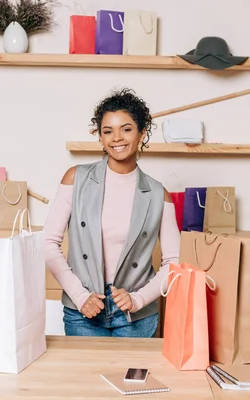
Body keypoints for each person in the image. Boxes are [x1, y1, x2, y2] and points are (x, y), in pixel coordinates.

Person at [43, 88, 180, 338]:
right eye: (108, 131)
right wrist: (80, 295)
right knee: (84, 378)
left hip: (136, 317)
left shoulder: (159, 194)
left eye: (126, 129)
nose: (117, 138)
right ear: (101, 137)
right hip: (83, 311)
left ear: (141, 133)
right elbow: (48, 243)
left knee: (132, 378)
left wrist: (138, 300)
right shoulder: (76, 179)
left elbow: (174, 262)